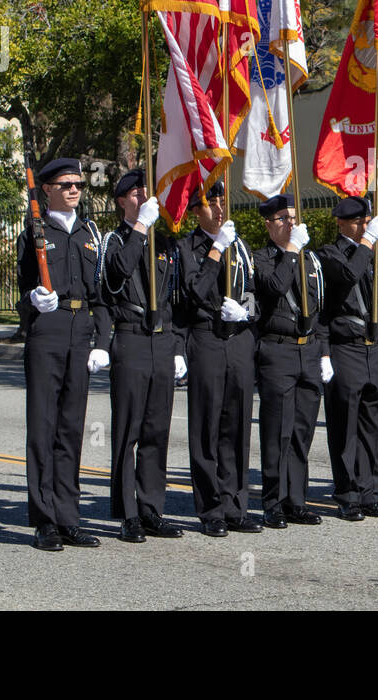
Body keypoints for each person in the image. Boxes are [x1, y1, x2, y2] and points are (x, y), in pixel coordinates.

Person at [16, 158, 111, 551]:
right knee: (43, 428)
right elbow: (22, 294)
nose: (75, 190)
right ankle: (45, 520)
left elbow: (102, 295)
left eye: (79, 184)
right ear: (48, 190)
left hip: (80, 333)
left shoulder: (90, 233)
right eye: (67, 184)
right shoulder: (35, 232)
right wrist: (33, 300)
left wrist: (103, 342)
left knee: (71, 429)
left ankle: (69, 516)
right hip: (48, 331)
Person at [99, 169, 186, 543]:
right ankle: (127, 513)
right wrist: (139, 230)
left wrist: (178, 348)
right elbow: (116, 275)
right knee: (128, 431)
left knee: (157, 431)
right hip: (131, 339)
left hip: (161, 341)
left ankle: (152, 509)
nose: (142, 198)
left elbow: (176, 300)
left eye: (144, 192)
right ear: (121, 202)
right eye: (135, 194)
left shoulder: (165, 244)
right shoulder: (113, 240)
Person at [173, 180, 262, 537]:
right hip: (206, 338)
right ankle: (210, 508)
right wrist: (215, 250)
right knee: (207, 426)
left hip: (237, 339)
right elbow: (194, 290)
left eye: (223, 200)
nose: (220, 208)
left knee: (237, 425)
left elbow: (255, 294)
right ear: (196, 211)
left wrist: (245, 312)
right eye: (212, 203)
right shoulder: (187, 247)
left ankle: (235, 504)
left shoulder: (239, 246)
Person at [317, 196, 378, 521]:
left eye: (366, 221)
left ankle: (369, 492)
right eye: (358, 222)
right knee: (345, 426)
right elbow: (347, 276)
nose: (364, 226)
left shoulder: (374, 258)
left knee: (372, 425)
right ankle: (347, 493)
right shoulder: (330, 253)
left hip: (374, 348)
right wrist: (367, 242)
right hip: (346, 347)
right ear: (341, 223)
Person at [251, 194, 328, 528]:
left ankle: (296, 499)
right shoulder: (263, 259)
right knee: (277, 432)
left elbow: (319, 307)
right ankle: (273, 502)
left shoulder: (311, 260)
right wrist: (292, 251)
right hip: (277, 350)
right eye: (283, 218)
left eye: (294, 217)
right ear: (269, 226)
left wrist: (323, 351)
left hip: (308, 350)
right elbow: (274, 288)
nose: (291, 223)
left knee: (301, 432)